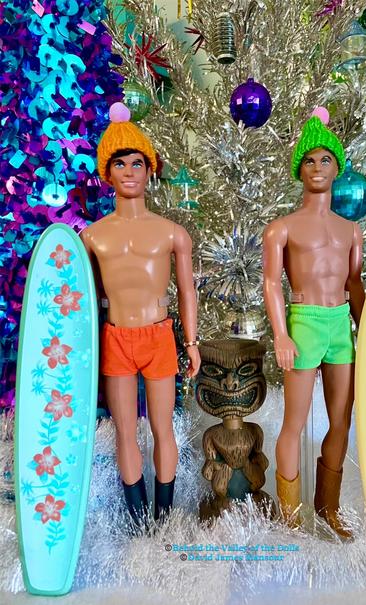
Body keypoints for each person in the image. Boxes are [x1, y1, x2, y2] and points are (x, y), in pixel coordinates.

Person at [81, 102, 200, 528]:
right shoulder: (91, 237)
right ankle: (137, 519)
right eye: (120, 163)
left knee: (163, 427)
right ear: (107, 172)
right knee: (126, 430)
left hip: (158, 335)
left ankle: (164, 514)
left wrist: (191, 343)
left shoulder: (172, 233)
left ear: (150, 170)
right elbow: (85, 298)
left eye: (137, 163)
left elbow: (186, 290)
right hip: (115, 337)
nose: (129, 171)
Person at [262, 108, 365, 537]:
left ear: (338, 167)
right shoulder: (282, 228)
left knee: (341, 420)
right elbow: (271, 282)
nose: (318, 166)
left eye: (325, 159)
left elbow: (354, 283)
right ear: (298, 169)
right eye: (309, 160)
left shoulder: (351, 230)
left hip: (340, 325)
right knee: (294, 422)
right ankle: (290, 518)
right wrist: (281, 334)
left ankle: (329, 509)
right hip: (304, 321)